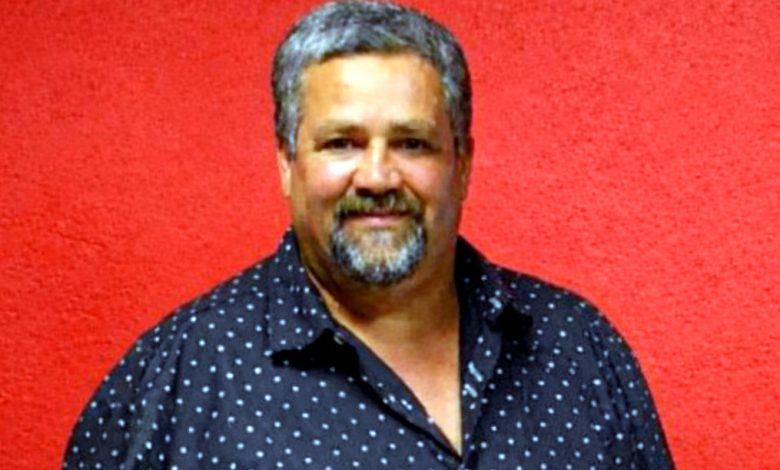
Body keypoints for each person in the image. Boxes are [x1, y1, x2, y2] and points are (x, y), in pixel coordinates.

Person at [64, 1, 673, 468]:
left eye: (412, 143)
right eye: (342, 143)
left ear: (461, 164)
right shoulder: (174, 382)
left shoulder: (580, 349)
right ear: (287, 163)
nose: (378, 177)